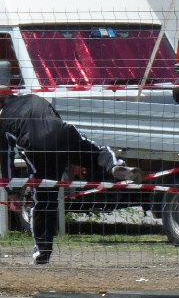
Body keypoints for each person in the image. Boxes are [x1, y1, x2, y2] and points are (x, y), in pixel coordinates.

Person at [0, 94, 138, 265]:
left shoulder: (3, 119)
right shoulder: (35, 98)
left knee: (44, 201)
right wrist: (73, 161)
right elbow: (55, 119)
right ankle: (114, 166)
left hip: (37, 148)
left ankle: (42, 252)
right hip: (63, 133)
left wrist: (11, 190)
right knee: (96, 152)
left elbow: (5, 159)